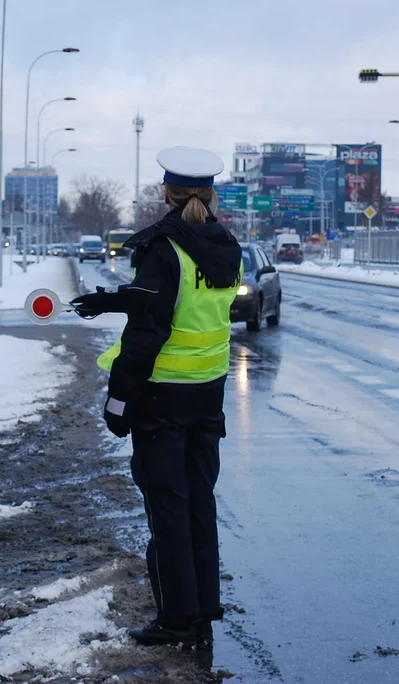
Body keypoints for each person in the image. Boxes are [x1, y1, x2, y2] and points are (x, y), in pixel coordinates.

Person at [71, 146, 243, 648]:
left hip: (162, 399)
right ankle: (202, 609)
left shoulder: (164, 248)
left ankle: (175, 618)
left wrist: (119, 399)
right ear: (209, 195)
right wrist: (115, 299)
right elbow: (183, 304)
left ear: (164, 194)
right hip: (207, 395)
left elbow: (150, 330)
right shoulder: (224, 244)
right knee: (198, 505)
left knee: (168, 508)